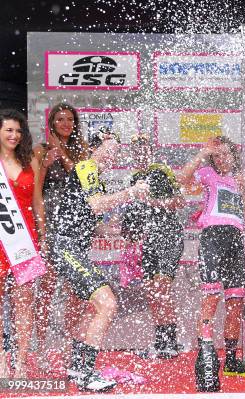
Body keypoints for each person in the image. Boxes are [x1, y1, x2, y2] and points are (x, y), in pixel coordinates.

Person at [50, 129, 149, 391]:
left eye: (117, 149)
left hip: (72, 248)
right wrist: (130, 193)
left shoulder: (97, 178)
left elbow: (92, 221)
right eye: (110, 147)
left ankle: (75, 365)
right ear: (94, 148)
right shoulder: (87, 166)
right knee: (107, 303)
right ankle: (86, 373)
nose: (114, 153)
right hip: (66, 247)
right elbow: (96, 206)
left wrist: (118, 231)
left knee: (93, 307)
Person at [178, 136, 245, 392]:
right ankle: (206, 355)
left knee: (236, 302)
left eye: (224, 155)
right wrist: (202, 152)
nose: (221, 159)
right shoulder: (207, 173)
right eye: (216, 155)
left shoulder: (241, 179)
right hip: (212, 239)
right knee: (210, 298)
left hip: (235, 240)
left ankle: (231, 360)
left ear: (233, 156)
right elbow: (182, 179)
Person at [33, 103, 89, 370]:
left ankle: (69, 346)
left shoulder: (82, 150)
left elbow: (83, 180)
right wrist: (42, 233)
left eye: (70, 119)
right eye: (60, 119)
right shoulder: (41, 150)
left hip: (76, 225)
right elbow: (36, 193)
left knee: (75, 291)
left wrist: (63, 154)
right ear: (52, 123)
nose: (65, 124)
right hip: (52, 225)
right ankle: (41, 348)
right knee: (46, 289)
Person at [121, 132, 185, 359]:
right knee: (152, 292)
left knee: (161, 289)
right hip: (148, 241)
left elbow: (179, 201)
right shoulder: (133, 179)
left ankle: (171, 342)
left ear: (151, 151)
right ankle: (161, 342)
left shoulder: (161, 170)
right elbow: (135, 214)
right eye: (136, 150)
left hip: (169, 236)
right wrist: (129, 231)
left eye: (144, 149)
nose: (141, 153)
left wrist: (153, 202)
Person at [0, 109, 46, 377]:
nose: (14, 135)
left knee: (23, 303)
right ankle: (1, 362)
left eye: (18, 131)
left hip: (24, 240)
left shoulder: (31, 161)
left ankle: (19, 363)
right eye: (8, 130)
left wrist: (43, 235)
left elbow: (38, 202)